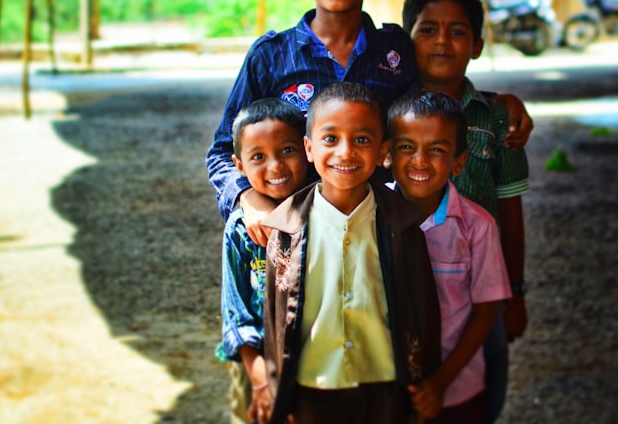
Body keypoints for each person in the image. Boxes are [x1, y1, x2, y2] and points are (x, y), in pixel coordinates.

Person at [206, 0, 534, 249]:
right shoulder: (271, 57)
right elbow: (224, 150)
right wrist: (247, 199)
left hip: (380, 242)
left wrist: (498, 103)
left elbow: (436, 96)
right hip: (296, 241)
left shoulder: (395, 51)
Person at [261, 82, 442, 424]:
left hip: (387, 386)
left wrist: (426, 382)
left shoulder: (402, 227)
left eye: (361, 140)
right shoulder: (285, 230)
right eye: (330, 139)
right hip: (313, 388)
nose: (345, 152)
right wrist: (279, 397)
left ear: (382, 151)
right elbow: (275, 322)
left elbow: (424, 313)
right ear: (309, 148)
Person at [402, 0, 530, 423]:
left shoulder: (496, 120)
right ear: (407, 39)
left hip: (484, 289)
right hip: (411, 282)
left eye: (458, 32)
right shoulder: (390, 113)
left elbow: (511, 214)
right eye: (428, 30)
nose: (442, 42)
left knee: (483, 384)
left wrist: (514, 291)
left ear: (476, 44)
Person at [387, 89, 511, 423]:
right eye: (406, 147)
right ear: (387, 154)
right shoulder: (370, 213)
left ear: (459, 161)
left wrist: (441, 381)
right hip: (385, 387)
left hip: (455, 388)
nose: (420, 161)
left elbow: (487, 310)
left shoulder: (477, 227)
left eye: (437, 150)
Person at [216, 98, 309, 424]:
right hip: (256, 367)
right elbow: (236, 314)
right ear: (238, 166)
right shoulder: (241, 229)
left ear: (307, 149)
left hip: (316, 372)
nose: (275, 167)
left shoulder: (322, 214)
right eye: (258, 157)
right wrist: (261, 383)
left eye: (287, 150)